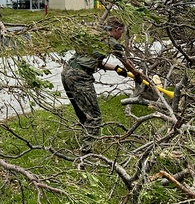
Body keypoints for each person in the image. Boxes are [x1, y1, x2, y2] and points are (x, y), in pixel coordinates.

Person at [61, 16, 145, 148]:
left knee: (84, 113)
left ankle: (84, 141)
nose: (121, 36)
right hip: (80, 77)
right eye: (121, 32)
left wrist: (116, 69)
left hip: (67, 72)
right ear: (117, 29)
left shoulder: (96, 37)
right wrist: (137, 74)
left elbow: (95, 62)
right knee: (94, 117)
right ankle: (87, 152)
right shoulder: (111, 42)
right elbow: (126, 62)